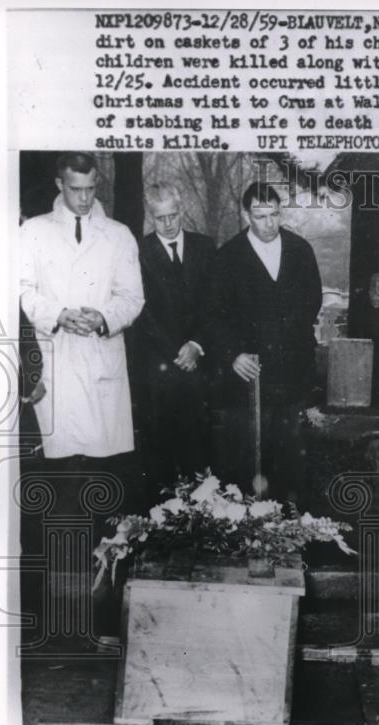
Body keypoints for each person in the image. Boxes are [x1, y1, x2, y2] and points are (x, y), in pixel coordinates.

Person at [19, 151, 145, 643]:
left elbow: (132, 297)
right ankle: (53, 618)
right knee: (55, 493)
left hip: (101, 370)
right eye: (76, 189)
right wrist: (58, 313)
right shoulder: (32, 232)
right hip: (53, 367)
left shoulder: (118, 235)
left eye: (92, 189)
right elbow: (23, 291)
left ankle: (104, 615)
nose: (85, 198)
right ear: (60, 184)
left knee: (106, 494)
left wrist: (103, 317)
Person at [206, 182, 322, 507]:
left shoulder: (300, 251)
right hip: (248, 383)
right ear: (246, 215)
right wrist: (232, 355)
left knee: (290, 465)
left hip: (291, 379)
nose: (269, 223)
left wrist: (288, 341)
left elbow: (311, 302)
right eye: (260, 216)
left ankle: (292, 533)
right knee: (247, 464)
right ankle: (245, 534)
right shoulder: (227, 258)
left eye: (274, 214)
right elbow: (213, 316)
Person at [131, 182, 217, 502]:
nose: (168, 224)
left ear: (182, 210)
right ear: (150, 217)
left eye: (173, 214)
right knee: (160, 450)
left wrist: (196, 344)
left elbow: (214, 304)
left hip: (200, 361)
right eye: (159, 218)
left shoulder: (205, 247)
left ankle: (206, 516)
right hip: (159, 366)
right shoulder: (139, 252)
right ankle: (161, 520)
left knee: (201, 446)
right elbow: (143, 311)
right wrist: (176, 352)